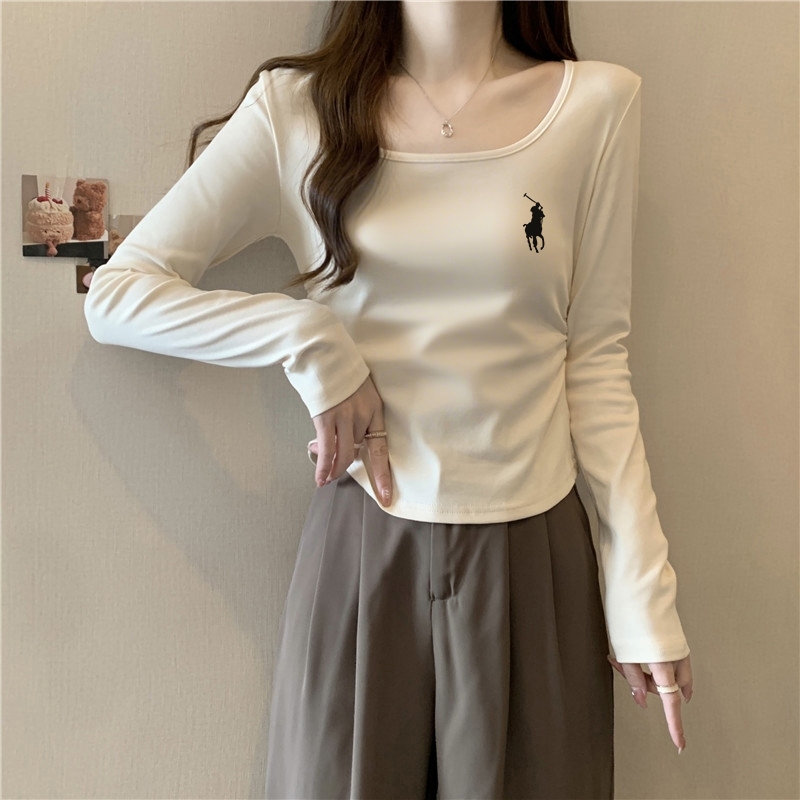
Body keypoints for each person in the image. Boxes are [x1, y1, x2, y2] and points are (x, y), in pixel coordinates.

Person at [84, 1, 693, 797]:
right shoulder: (296, 111)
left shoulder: (597, 106)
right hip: (362, 545)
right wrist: (306, 338)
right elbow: (119, 295)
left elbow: (598, 362)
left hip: (535, 550)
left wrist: (642, 594)